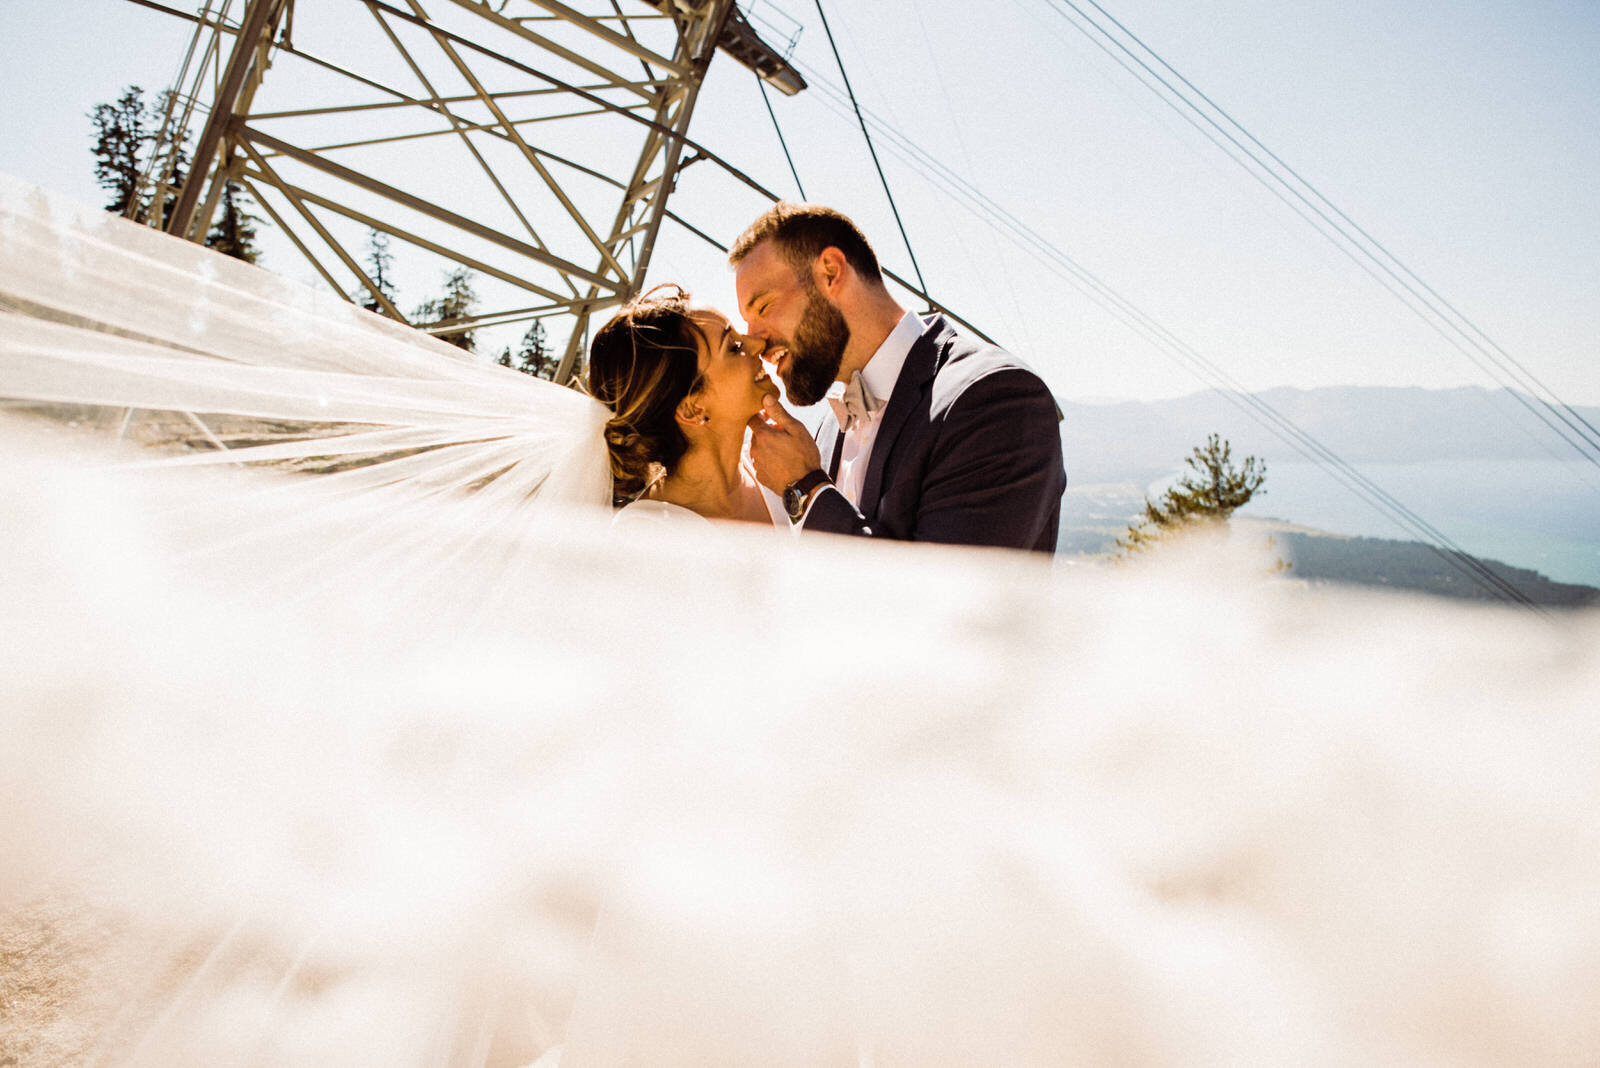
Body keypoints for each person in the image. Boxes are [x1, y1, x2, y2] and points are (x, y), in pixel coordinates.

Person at [732, 202, 1067, 551]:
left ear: (830, 273)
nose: (755, 340)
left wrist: (804, 486)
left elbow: (942, 599)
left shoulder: (995, 398)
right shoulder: (826, 431)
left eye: (764, 307)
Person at [585, 284, 786, 529]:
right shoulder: (647, 536)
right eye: (733, 347)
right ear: (692, 409)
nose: (757, 344)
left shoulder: (777, 470)